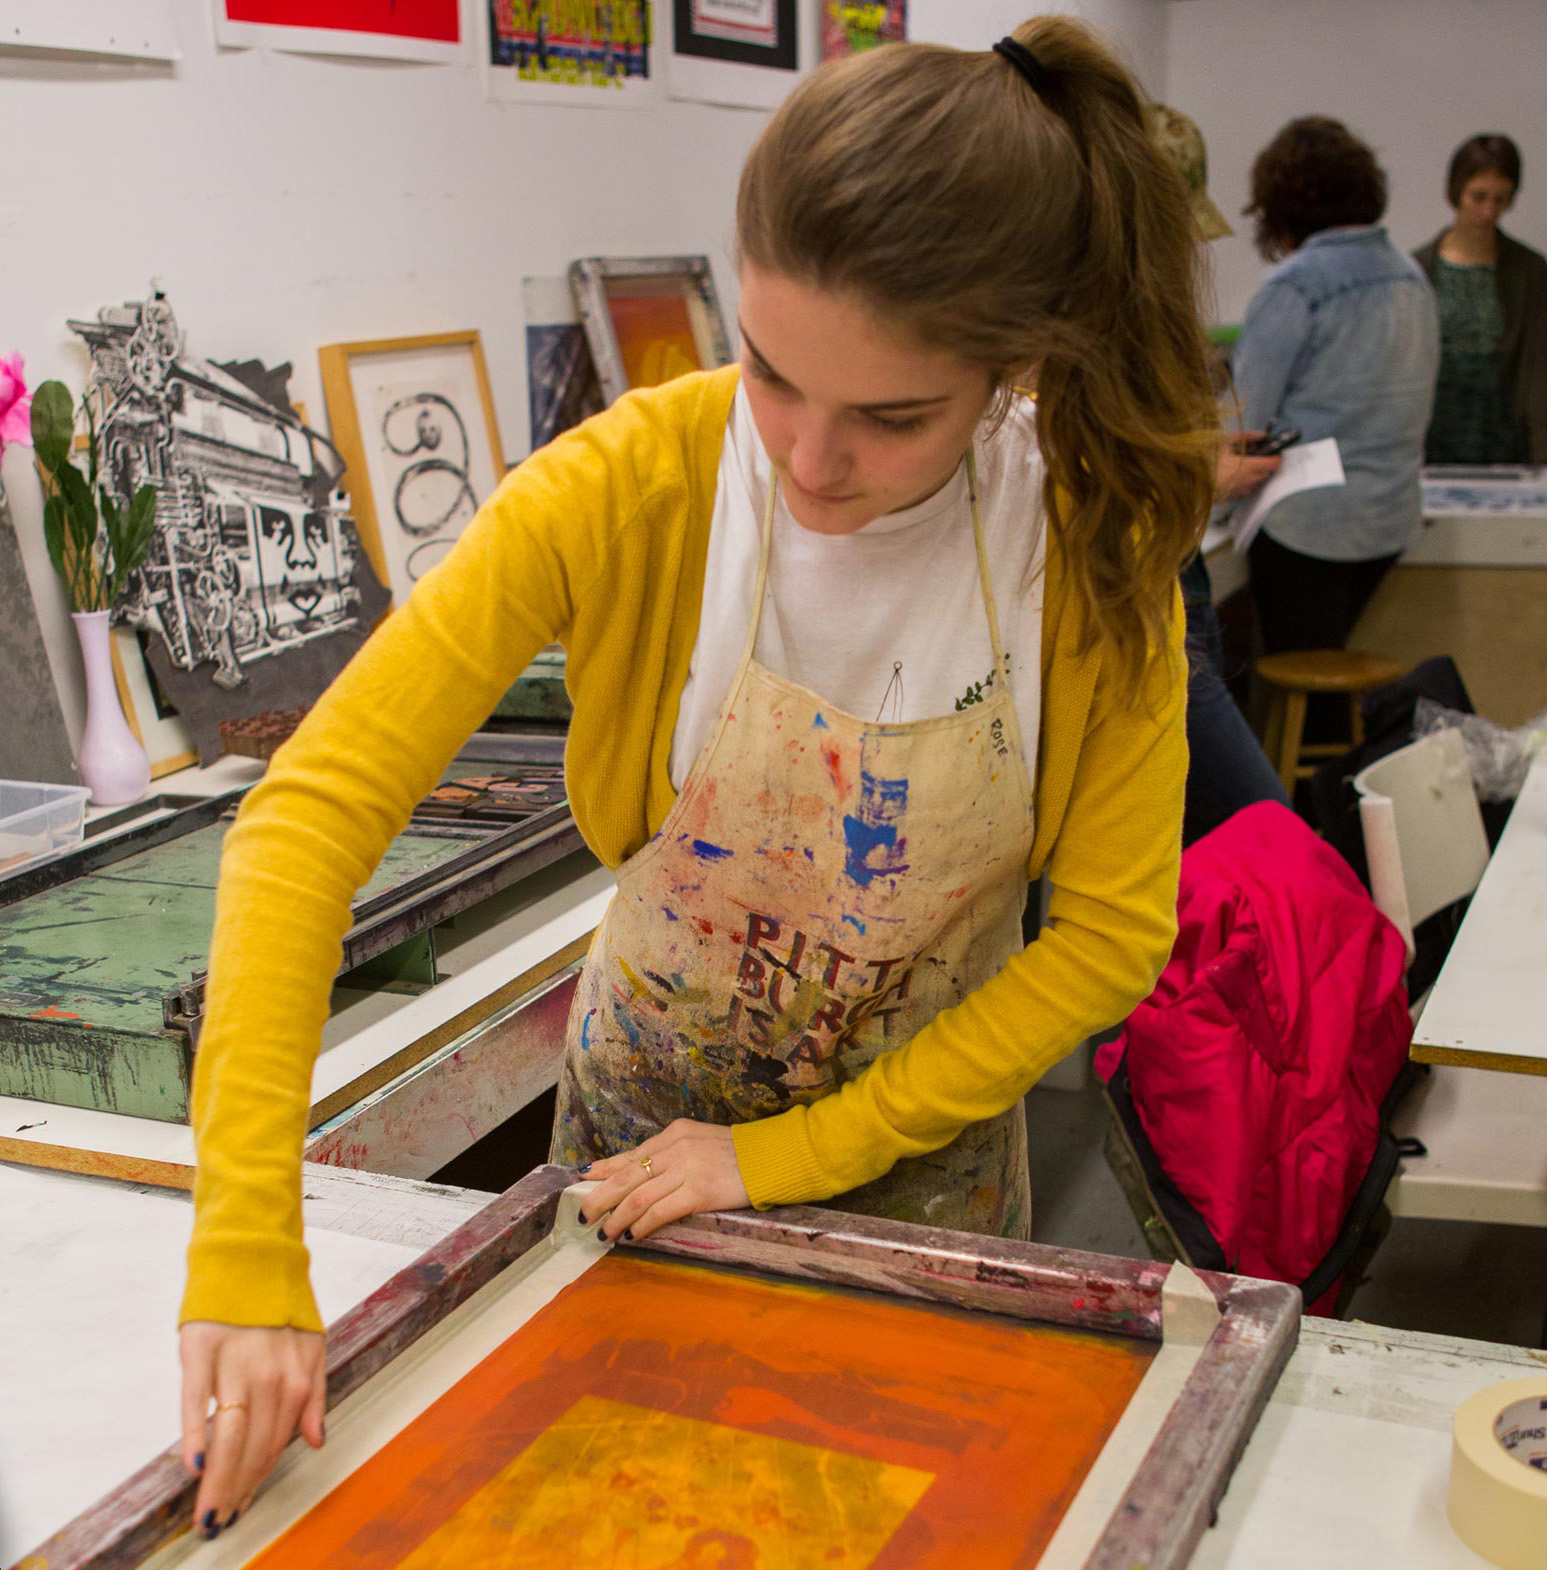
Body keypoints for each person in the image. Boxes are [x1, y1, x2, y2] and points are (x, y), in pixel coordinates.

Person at [177, 18, 1218, 1535]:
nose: (805, 457)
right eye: (772, 372)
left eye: (890, 416)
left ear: (1017, 365)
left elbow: (1110, 938)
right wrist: (246, 1245)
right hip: (633, 1159)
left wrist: (782, 1156)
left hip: (921, 1174)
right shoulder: (631, 481)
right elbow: (306, 817)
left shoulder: (1088, 545)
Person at [1232, 116, 1438, 655]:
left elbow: (1243, 422)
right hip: (1391, 521)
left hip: (1309, 529)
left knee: (1277, 669)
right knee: (1328, 670)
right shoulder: (1412, 278)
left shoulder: (1295, 285)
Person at [1150, 102, 1290, 842]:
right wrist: (1201, 479)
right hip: (1152, 627)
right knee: (1271, 842)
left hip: (1181, 603)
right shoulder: (1089, 320)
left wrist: (1202, 452)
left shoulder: (1144, 312)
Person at [1414, 134, 1547, 465]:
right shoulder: (1417, 271)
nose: (1488, 211)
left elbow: (1537, 372)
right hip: (1432, 437)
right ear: (1456, 191)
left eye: (1500, 200)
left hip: (1504, 439)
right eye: (1479, 197)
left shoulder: (1529, 271)